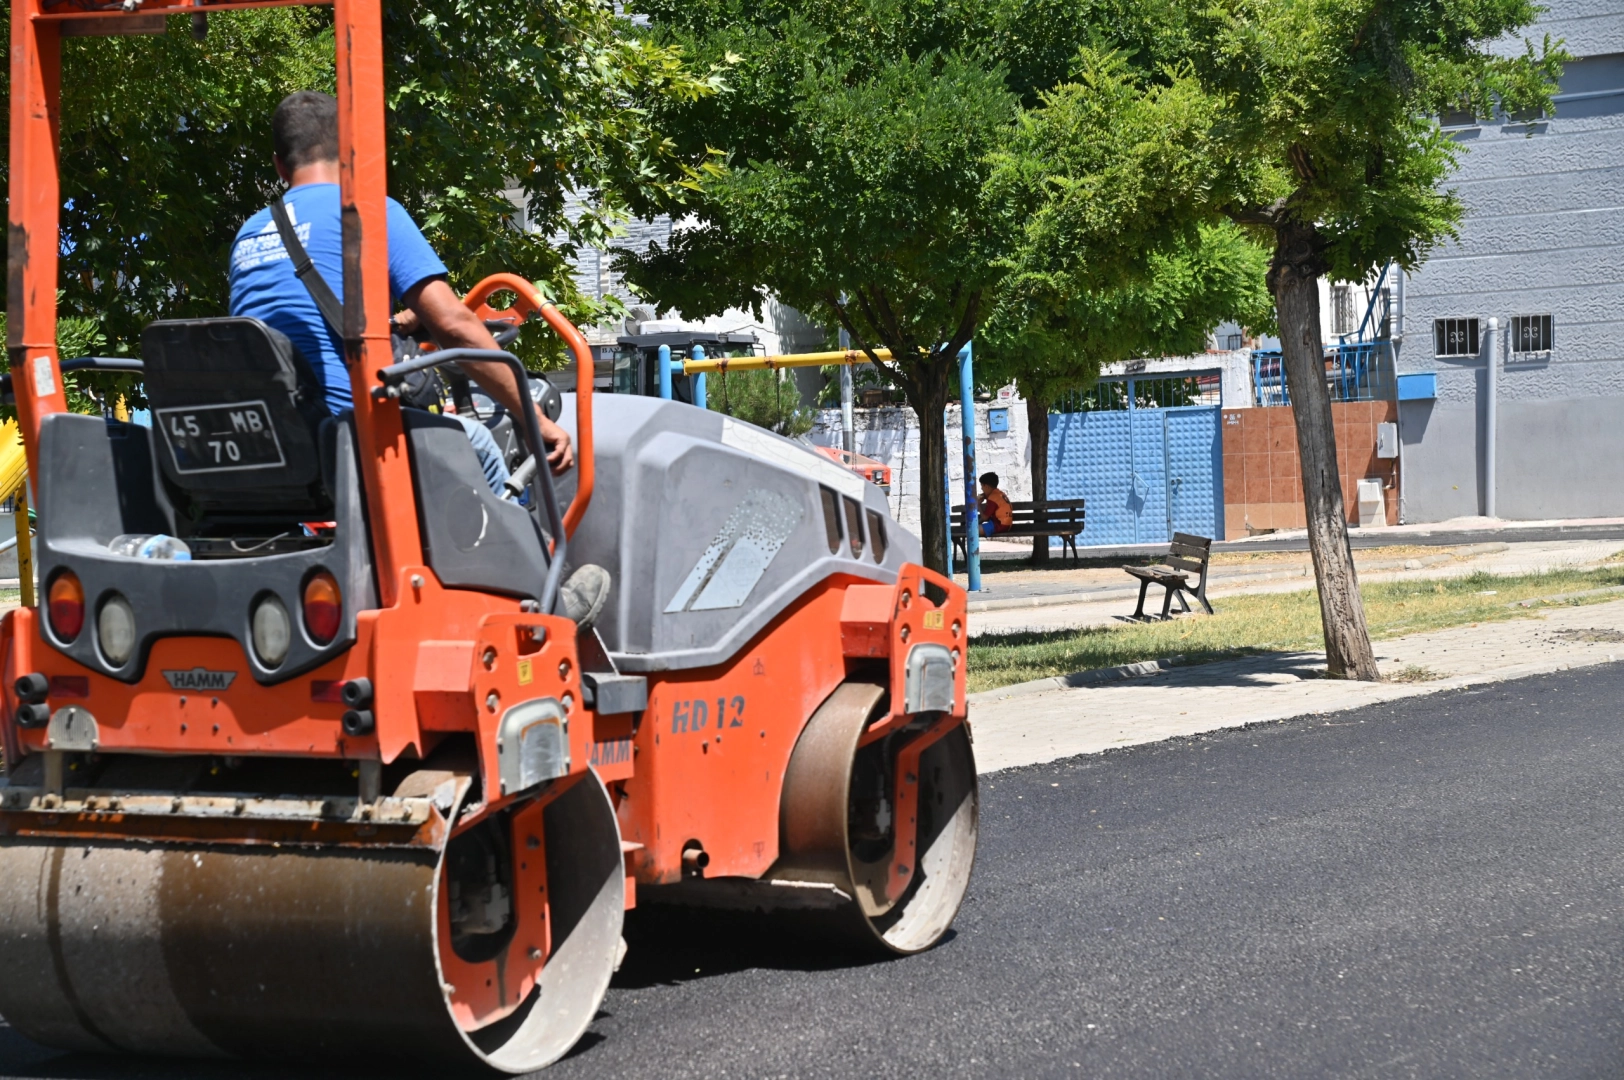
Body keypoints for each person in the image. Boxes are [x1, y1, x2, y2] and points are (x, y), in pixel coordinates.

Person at [229, 91, 608, 625]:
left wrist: (397, 323)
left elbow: (291, 335)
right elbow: (453, 322)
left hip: (262, 447)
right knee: (472, 439)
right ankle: (539, 594)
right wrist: (532, 415)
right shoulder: (370, 213)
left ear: (278, 163)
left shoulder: (247, 236)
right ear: (349, 153)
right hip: (343, 443)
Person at [978, 472, 1014, 537]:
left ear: (987, 486)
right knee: (975, 526)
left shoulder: (992, 498)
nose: (981, 488)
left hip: (999, 525)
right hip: (1007, 525)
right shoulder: (1000, 494)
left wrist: (978, 504)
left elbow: (985, 518)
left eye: (982, 486)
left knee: (972, 530)